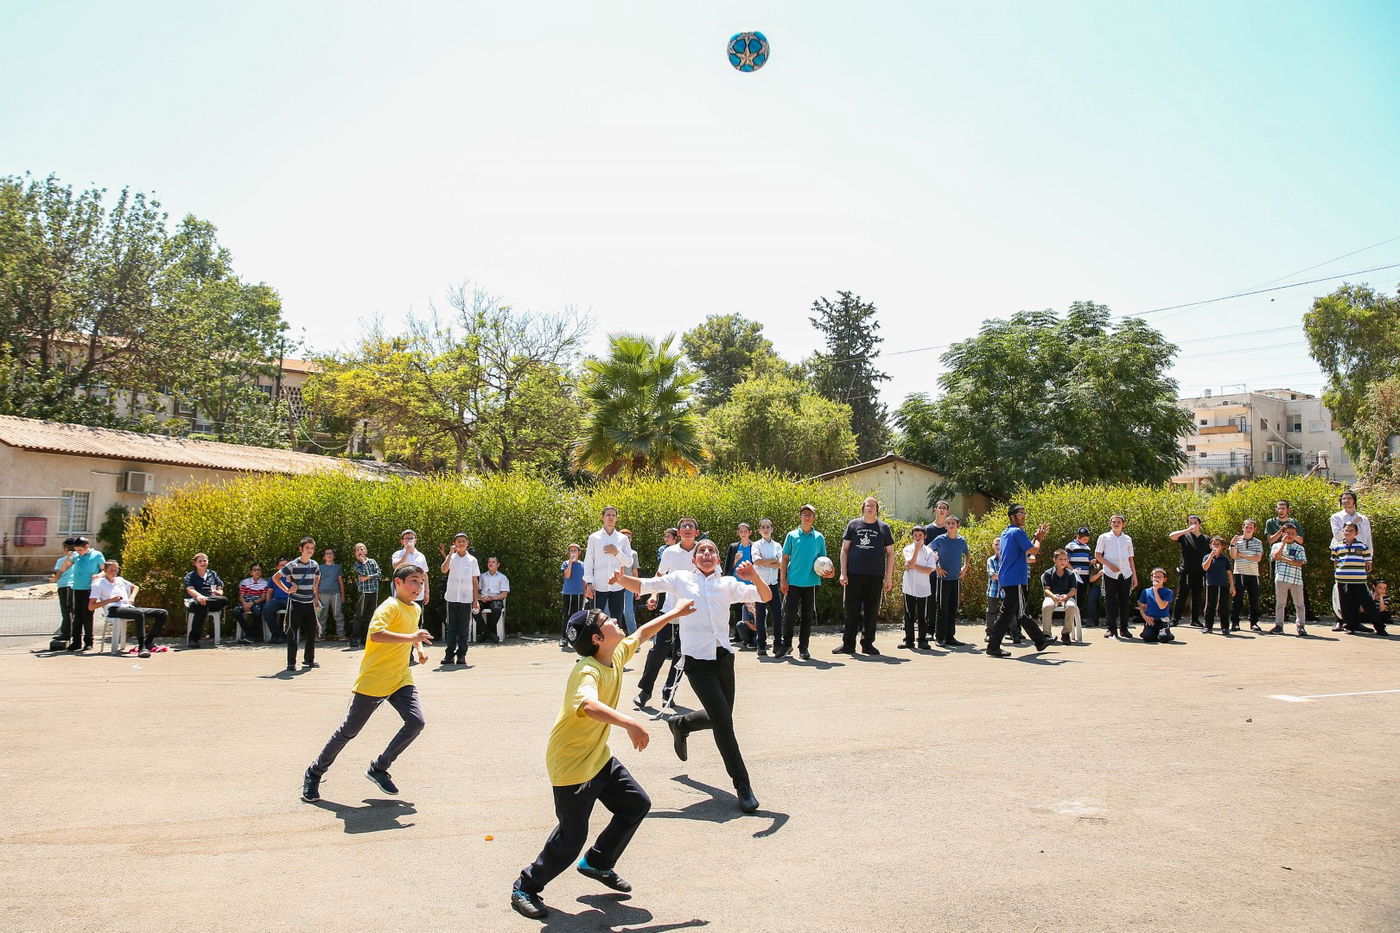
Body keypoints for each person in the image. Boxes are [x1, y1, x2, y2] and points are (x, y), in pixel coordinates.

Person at [509, 598, 698, 921]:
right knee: (571, 836)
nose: (614, 620)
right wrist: (630, 722)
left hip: (598, 757)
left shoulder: (614, 655)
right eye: (606, 620)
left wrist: (675, 613)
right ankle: (525, 886)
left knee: (636, 804)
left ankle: (597, 861)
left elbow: (642, 633)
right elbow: (587, 706)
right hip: (572, 765)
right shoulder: (587, 670)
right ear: (597, 638)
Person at [617, 543, 773, 813]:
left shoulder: (727, 583)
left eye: (712, 550)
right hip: (697, 663)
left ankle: (682, 724)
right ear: (693, 558)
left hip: (724, 659)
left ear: (717, 557)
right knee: (724, 722)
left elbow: (765, 596)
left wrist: (755, 576)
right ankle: (743, 785)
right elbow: (645, 584)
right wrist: (622, 579)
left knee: (719, 716)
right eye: (702, 551)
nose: (707, 554)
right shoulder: (681, 579)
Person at [301, 565, 434, 805]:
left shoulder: (414, 609)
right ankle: (314, 773)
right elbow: (376, 635)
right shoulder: (389, 606)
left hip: (400, 679)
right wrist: (412, 639)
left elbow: (412, 633)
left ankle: (379, 768)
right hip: (374, 680)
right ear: (398, 582)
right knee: (349, 730)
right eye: (414, 581)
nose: (419, 587)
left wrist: (420, 648)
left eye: (421, 582)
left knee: (416, 722)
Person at [635, 518, 699, 707]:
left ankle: (668, 694)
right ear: (678, 532)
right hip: (670, 611)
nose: (687, 529)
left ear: (697, 531)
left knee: (681, 657)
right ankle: (645, 692)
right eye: (683, 526)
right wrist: (654, 595)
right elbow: (659, 577)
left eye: (691, 526)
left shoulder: (703, 551)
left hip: (692, 614)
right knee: (657, 652)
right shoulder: (670, 552)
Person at [987, 505, 1051, 657]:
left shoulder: (1007, 532)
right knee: (1008, 613)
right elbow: (1033, 550)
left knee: (1019, 612)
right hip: (1015, 578)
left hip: (1009, 578)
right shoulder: (1017, 531)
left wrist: (1035, 538)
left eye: (1024, 513)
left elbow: (1025, 547)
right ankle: (993, 646)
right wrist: (1039, 539)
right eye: (1020, 513)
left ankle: (1040, 640)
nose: (1023, 516)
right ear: (1012, 516)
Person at [836, 496, 895, 656]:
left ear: (877, 509)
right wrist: (843, 572)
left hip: (875, 576)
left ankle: (868, 644)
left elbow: (890, 553)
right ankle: (848, 645)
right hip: (854, 575)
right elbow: (844, 550)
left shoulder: (884, 528)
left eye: (873, 506)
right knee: (851, 611)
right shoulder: (853, 525)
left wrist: (888, 577)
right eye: (867, 506)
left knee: (871, 611)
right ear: (863, 509)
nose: (870, 508)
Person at [779, 504, 832, 660]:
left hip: (810, 583)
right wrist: (783, 579)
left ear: (814, 517)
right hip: (793, 582)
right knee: (788, 615)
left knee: (807, 617)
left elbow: (824, 561)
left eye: (809, 514)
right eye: (804, 514)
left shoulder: (819, 537)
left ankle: (804, 648)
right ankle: (786, 645)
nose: (807, 517)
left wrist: (829, 573)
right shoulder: (792, 535)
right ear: (800, 517)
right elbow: (784, 559)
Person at [90, 560, 168, 657]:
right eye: (111, 570)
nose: (114, 573)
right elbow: (91, 606)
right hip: (113, 609)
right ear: (105, 570)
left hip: (128, 607)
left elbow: (135, 587)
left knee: (162, 613)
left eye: (116, 570)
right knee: (138, 613)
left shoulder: (120, 580)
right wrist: (110, 600)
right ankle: (141, 646)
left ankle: (149, 642)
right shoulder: (98, 584)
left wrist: (132, 597)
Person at [275, 537, 321, 672]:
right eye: (307, 548)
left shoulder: (314, 564)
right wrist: (287, 590)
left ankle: (309, 659)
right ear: (301, 549)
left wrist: (314, 587)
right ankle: (291, 663)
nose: (310, 551)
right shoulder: (293, 565)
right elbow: (276, 578)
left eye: (312, 548)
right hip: (295, 602)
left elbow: (318, 575)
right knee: (293, 632)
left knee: (312, 631)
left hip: (309, 603)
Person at [1265, 499, 1313, 623]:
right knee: (1279, 587)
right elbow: (1270, 540)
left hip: (1293, 555)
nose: (1281, 510)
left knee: (1299, 588)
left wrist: (1290, 533)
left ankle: (1305, 617)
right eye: (1278, 508)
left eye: (1283, 508)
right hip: (1278, 553)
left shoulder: (1294, 522)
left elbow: (1301, 540)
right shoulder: (1271, 522)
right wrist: (1281, 532)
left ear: (1288, 510)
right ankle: (1281, 618)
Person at [583, 506, 634, 621]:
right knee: (595, 622)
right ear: (602, 517)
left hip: (618, 586)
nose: (611, 518)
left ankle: (616, 640)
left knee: (617, 621)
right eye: (608, 515)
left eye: (613, 515)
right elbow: (588, 562)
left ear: (616, 519)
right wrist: (589, 583)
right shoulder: (594, 538)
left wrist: (617, 552)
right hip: (598, 586)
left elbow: (629, 563)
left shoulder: (623, 539)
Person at [58, 537, 106, 651]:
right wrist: (68, 558)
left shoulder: (97, 555)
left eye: (80, 550)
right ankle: (76, 642)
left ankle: (89, 642)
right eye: (77, 550)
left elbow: (104, 570)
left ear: (87, 547)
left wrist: (98, 575)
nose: (78, 552)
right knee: (76, 616)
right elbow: (64, 568)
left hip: (89, 589)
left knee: (87, 616)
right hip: (77, 588)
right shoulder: (76, 556)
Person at [440, 533, 480, 664]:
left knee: (463, 628)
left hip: (466, 598)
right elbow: (444, 570)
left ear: (467, 544)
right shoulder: (451, 558)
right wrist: (449, 554)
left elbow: (475, 581)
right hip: (451, 597)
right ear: (454, 543)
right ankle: (449, 654)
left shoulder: (472, 560)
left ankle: (462, 654)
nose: (461, 543)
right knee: (451, 627)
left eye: (463, 541)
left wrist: (476, 600)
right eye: (458, 541)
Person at [930, 515, 970, 648]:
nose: (950, 525)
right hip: (943, 579)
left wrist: (965, 567)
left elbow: (967, 554)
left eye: (953, 523)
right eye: (948, 523)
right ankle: (939, 637)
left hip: (956, 579)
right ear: (945, 526)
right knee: (942, 608)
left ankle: (950, 637)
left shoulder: (961, 541)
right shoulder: (940, 539)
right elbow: (928, 551)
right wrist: (936, 567)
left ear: (957, 525)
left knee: (953, 608)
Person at [1331, 522, 1378, 634]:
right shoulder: (1337, 546)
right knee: (1346, 604)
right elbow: (1335, 562)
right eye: (1346, 530)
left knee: (1367, 603)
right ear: (1343, 532)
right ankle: (1350, 626)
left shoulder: (1362, 546)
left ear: (1356, 533)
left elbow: (1367, 562)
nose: (1348, 533)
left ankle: (1379, 626)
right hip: (1343, 580)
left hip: (1359, 580)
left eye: (1351, 530)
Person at [1095, 515, 1137, 639]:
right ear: (1110, 523)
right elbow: (1098, 555)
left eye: (1119, 522)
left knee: (1125, 601)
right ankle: (1111, 628)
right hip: (1110, 573)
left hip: (1126, 573)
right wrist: (1109, 565)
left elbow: (1130, 559)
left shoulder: (1127, 539)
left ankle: (1124, 628)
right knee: (1110, 601)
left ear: (1123, 524)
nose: (1116, 524)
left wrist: (1134, 575)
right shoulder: (1104, 537)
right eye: (1114, 522)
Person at [1167, 516, 1210, 627]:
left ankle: (1194, 620)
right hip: (1186, 571)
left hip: (1200, 572)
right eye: (1190, 522)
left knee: (1197, 596)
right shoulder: (1184, 536)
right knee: (1181, 595)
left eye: (1195, 522)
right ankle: (1175, 619)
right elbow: (1171, 536)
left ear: (1199, 524)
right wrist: (1187, 530)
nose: (1193, 524)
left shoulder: (1206, 539)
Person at [749, 519, 783, 657]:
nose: (765, 529)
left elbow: (781, 564)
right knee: (760, 616)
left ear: (772, 529)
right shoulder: (756, 545)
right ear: (759, 530)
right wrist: (773, 560)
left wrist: (766, 562)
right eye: (762, 527)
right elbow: (756, 561)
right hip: (760, 585)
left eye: (768, 527)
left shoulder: (777, 545)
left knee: (777, 615)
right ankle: (761, 645)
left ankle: (777, 645)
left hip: (773, 584)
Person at [899, 526, 934, 650]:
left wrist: (914, 566)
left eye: (920, 535)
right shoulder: (908, 549)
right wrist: (917, 550)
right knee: (909, 614)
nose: (917, 538)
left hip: (923, 588)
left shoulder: (929, 552)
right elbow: (910, 563)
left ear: (924, 536)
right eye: (915, 535)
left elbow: (929, 570)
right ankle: (909, 640)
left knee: (922, 615)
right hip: (909, 586)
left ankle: (922, 640)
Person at [1271, 522, 1308, 637]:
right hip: (1281, 578)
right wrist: (1282, 544)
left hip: (1296, 580)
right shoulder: (1276, 546)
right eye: (1287, 533)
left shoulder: (1299, 548)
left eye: (1293, 533)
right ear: (1282, 533)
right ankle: (1279, 626)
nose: (1290, 536)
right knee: (1280, 604)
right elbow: (1276, 557)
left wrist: (1285, 559)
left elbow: (1299, 563)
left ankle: (1301, 626)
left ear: (1296, 534)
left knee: (1300, 604)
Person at [183, 553, 228, 647]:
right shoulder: (190, 576)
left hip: (211, 600)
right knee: (200, 607)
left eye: (205, 560)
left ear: (207, 562)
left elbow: (219, 587)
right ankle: (193, 640)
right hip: (195, 601)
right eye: (200, 561)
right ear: (195, 564)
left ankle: (206, 602)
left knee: (224, 600)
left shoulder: (213, 574)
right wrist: (199, 597)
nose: (203, 563)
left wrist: (219, 592)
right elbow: (190, 589)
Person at [1229, 520, 1265, 632]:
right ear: (1242, 527)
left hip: (1253, 573)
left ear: (1255, 529)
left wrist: (1242, 555)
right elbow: (1234, 556)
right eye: (1246, 527)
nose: (1248, 529)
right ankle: (1235, 623)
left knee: (1254, 599)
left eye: (1251, 527)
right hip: (1239, 572)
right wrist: (1232, 544)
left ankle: (1254, 623)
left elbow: (1258, 558)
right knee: (1237, 599)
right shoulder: (1236, 540)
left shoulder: (1258, 542)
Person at [724, 523, 756, 648]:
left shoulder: (755, 546)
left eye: (745, 531)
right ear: (738, 533)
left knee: (751, 610)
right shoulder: (733, 547)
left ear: (750, 532)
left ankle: (752, 636)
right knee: (736, 609)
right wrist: (736, 560)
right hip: (736, 583)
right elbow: (728, 567)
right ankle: (737, 635)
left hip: (750, 583)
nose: (743, 533)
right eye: (741, 531)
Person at [1040, 549, 1081, 645]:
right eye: (1060, 559)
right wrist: (1054, 596)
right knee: (1047, 606)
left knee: (1071, 606)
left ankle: (1066, 633)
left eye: (1065, 559)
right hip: (1052, 596)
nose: (1063, 562)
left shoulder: (1071, 574)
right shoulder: (1048, 573)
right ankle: (1046, 634)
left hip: (1066, 596)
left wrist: (1066, 596)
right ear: (1054, 559)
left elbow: (1073, 590)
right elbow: (1046, 589)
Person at [1065, 528, 1098, 628]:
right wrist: (1072, 570)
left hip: (1085, 575)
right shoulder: (1070, 546)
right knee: (1074, 596)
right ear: (1078, 536)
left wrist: (1092, 561)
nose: (1085, 541)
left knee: (1081, 597)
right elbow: (1065, 560)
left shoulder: (1087, 547)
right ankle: (1072, 618)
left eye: (1087, 539)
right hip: (1075, 575)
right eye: (1084, 539)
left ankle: (1078, 618)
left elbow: (1089, 559)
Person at [391, 530, 431, 613]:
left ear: (415, 540)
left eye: (412, 538)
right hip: (402, 594)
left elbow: (425, 575)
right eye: (407, 538)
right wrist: (407, 552)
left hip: (418, 594)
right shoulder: (397, 554)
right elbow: (396, 567)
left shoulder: (421, 556)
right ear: (402, 541)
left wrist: (426, 592)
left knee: (417, 619)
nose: (409, 540)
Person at [1201, 536, 1235, 634]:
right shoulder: (1207, 557)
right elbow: (1205, 568)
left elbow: (1229, 572)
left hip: (1223, 585)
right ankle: (1208, 626)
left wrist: (1232, 586)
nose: (1216, 546)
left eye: (1218, 544)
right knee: (1210, 605)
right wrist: (1211, 556)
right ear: (1210, 546)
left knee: (1223, 606)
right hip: (1211, 584)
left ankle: (1225, 627)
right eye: (1214, 544)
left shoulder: (1225, 559)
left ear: (1222, 546)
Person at [48, 537, 78, 644]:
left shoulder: (61, 560)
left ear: (65, 548)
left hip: (64, 586)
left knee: (66, 610)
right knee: (75, 610)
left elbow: (57, 574)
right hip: (77, 586)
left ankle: (66, 633)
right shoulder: (80, 559)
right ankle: (76, 632)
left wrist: (53, 579)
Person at [1136, 568, 1175, 643]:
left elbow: (1162, 606)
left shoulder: (1168, 592)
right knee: (1148, 638)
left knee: (1163, 639)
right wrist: (1145, 616)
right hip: (1151, 621)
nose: (1157, 579)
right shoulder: (1146, 591)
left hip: (1162, 621)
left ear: (1164, 579)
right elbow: (1141, 606)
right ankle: (1149, 632)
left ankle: (1166, 633)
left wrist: (1155, 591)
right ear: (1151, 578)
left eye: (1159, 577)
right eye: (1155, 577)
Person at [235, 563, 271, 644]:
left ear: (261, 572)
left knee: (257, 611)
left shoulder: (265, 583)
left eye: (259, 570)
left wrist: (252, 603)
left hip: (258, 602)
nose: (257, 572)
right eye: (255, 570)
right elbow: (241, 596)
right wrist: (244, 603)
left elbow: (263, 597)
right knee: (236, 611)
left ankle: (251, 635)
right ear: (251, 572)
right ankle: (250, 633)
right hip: (246, 601)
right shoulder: (245, 582)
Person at [477, 556, 510, 642]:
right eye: (489, 562)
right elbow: (476, 591)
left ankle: (485, 634)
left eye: (493, 562)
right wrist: (480, 597)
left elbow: (504, 594)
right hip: (483, 599)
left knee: (496, 609)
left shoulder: (502, 577)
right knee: (474, 610)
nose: (490, 563)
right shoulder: (482, 576)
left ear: (498, 565)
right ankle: (489, 634)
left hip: (496, 598)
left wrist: (493, 598)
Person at [316, 547, 346, 640]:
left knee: (338, 614)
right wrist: (316, 596)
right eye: (327, 554)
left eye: (331, 553)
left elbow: (340, 582)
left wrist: (342, 595)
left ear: (334, 556)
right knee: (322, 615)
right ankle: (320, 634)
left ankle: (341, 634)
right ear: (324, 557)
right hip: (322, 594)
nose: (329, 555)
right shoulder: (320, 567)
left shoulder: (337, 567)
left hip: (336, 593)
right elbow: (316, 583)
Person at [560, 543, 586, 649]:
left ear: (579, 553)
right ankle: (564, 638)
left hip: (579, 593)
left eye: (575, 551)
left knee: (578, 616)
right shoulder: (566, 563)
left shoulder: (583, 565)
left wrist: (585, 593)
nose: (573, 552)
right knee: (567, 615)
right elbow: (567, 575)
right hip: (568, 593)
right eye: (571, 551)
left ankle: (576, 638)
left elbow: (585, 580)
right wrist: (570, 562)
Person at [262, 557, 290, 639]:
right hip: (277, 600)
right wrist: (267, 602)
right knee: (267, 609)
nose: (285, 567)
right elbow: (269, 591)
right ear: (277, 567)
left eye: (286, 565)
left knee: (294, 611)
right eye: (282, 565)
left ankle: (287, 634)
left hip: (290, 600)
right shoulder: (273, 577)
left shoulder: (293, 576)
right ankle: (276, 634)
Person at [619, 530, 640, 635]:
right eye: (624, 537)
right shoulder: (614, 552)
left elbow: (634, 572)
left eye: (629, 538)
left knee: (628, 612)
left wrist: (638, 589)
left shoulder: (633, 553)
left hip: (629, 586)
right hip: (614, 586)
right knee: (608, 612)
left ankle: (634, 638)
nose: (627, 539)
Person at [984, 537, 1003, 643]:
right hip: (993, 590)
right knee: (991, 612)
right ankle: (989, 633)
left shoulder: (1007, 559)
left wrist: (1000, 575)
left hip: (1006, 590)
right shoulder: (990, 560)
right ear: (993, 546)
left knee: (1009, 613)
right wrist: (1005, 576)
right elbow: (992, 575)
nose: (998, 546)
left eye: (1000, 544)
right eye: (996, 544)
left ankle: (1015, 633)